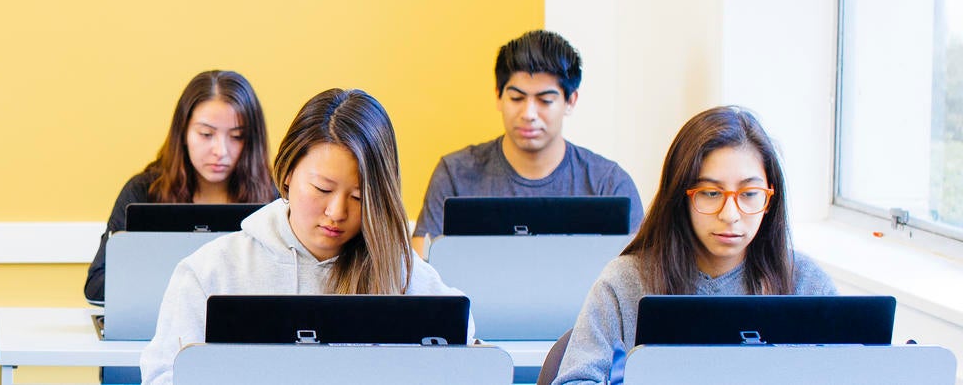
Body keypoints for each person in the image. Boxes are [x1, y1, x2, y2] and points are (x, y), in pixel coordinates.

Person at [138, 89, 467, 385]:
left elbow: (466, 353)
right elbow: (164, 375)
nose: (337, 212)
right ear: (287, 172)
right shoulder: (211, 271)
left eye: (358, 196)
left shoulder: (402, 275)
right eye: (322, 188)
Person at [553, 106, 837, 385]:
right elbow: (575, 380)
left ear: (769, 200)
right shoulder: (626, 282)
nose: (730, 214)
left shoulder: (807, 284)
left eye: (750, 193)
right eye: (710, 193)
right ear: (680, 198)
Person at [413, 30, 642, 256]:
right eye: (516, 98)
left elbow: (634, 276)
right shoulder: (455, 175)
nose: (529, 113)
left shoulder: (608, 184)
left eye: (545, 100)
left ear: (570, 101)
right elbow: (422, 270)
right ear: (498, 96)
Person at [82, 70, 278, 305]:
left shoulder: (274, 198)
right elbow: (97, 285)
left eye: (236, 137)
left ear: (252, 141)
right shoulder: (144, 192)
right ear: (183, 133)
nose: (221, 151)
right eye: (206, 134)